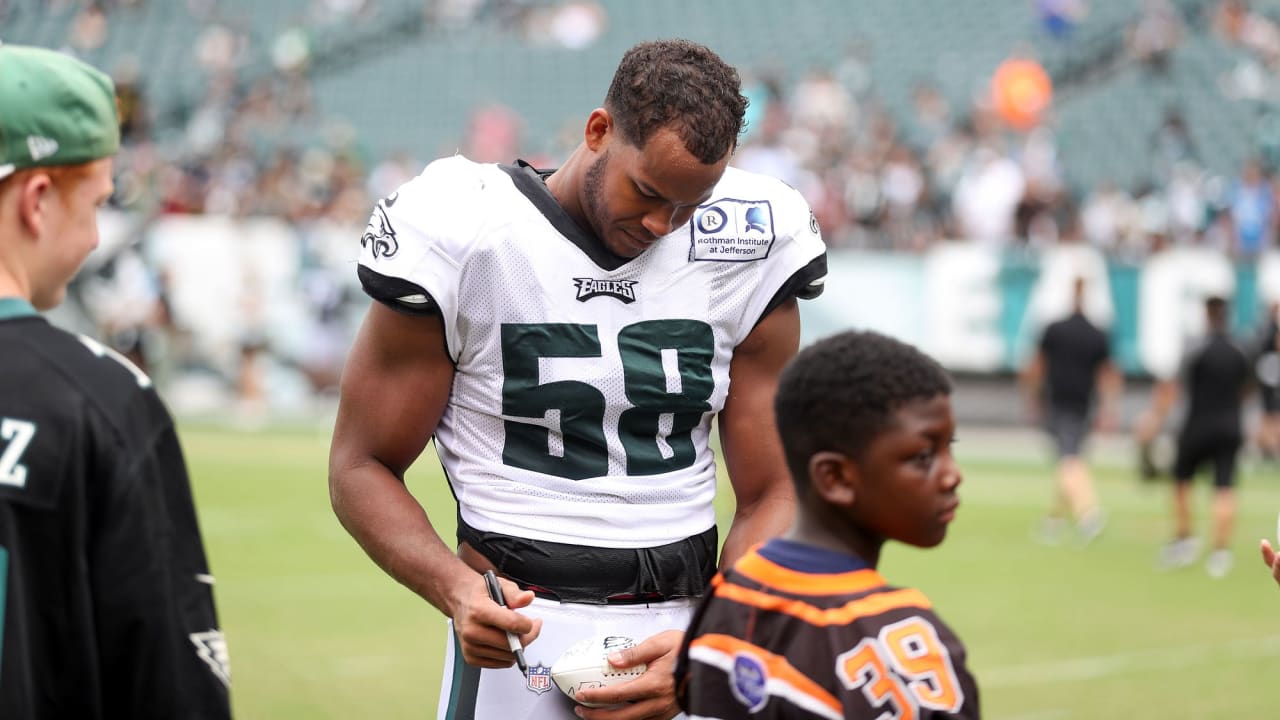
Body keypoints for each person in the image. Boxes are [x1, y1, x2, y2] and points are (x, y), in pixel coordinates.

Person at [329, 38, 827, 720]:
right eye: (647, 193)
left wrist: (715, 642)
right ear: (598, 131)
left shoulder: (747, 238)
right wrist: (454, 588)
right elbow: (360, 465)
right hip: (519, 631)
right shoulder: (467, 229)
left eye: (689, 205)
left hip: (687, 627)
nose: (662, 225)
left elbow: (777, 488)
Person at [0, 45, 232, 717]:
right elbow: (169, 691)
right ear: (38, 200)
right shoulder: (103, 405)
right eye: (96, 203)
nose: (96, 237)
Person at [674, 330, 980, 719]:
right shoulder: (902, 641)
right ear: (834, 478)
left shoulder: (728, 595)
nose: (952, 475)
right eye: (923, 456)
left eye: (949, 447)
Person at [1136, 296, 1251, 578]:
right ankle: (1220, 553)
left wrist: (1155, 418)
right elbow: (1248, 387)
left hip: (1197, 425)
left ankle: (1185, 540)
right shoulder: (1240, 350)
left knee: (1181, 481)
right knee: (1224, 487)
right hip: (1230, 425)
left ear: (1207, 315)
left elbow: (1173, 387)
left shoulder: (1195, 348)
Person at [1019, 277, 1121, 545]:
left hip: (1059, 402)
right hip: (1084, 403)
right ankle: (1055, 519)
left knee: (1068, 460)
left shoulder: (1055, 329)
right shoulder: (1096, 333)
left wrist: (1031, 399)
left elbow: (1036, 365)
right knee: (1071, 458)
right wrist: (1108, 409)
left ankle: (1089, 513)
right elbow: (1108, 374)